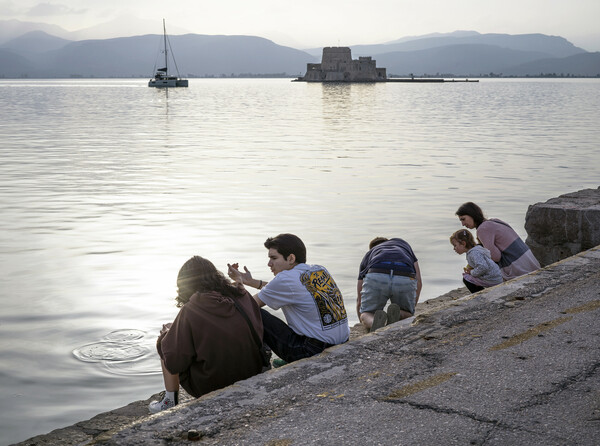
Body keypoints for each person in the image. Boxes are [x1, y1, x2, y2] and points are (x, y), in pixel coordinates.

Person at [148, 256, 264, 413]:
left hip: (212, 385)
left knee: (166, 341)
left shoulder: (192, 309)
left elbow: (175, 362)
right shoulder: (241, 294)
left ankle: (169, 401)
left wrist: (169, 334)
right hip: (254, 372)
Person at [228, 233, 349, 364]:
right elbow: (282, 289)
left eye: (273, 258)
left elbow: (249, 305)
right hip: (342, 342)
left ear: (291, 258)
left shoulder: (285, 279)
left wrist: (239, 285)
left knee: (256, 314)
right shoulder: (318, 270)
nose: (269, 264)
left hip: (310, 351)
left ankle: (258, 362)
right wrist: (250, 281)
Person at [456, 202, 540, 281]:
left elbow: (496, 257)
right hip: (531, 264)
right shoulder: (494, 221)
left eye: (463, 219)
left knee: (469, 278)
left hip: (520, 270)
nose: (463, 224)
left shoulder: (482, 229)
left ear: (472, 215)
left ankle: (487, 296)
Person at [357, 237, 422, 332]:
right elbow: (418, 281)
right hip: (404, 274)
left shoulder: (370, 254)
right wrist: (411, 310)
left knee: (367, 313)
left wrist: (363, 318)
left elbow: (359, 298)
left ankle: (374, 322)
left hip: (377, 272)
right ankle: (399, 314)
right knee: (407, 314)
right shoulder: (402, 244)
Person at [450, 229, 503, 293]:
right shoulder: (476, 249)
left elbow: (483, 267)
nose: (454, 248)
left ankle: (480, 295)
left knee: (466, 279)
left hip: (492, 279)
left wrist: (472, 272)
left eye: (455, 245)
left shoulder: (474, 253)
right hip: (496, 277)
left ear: (463, 243)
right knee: (470, 276)